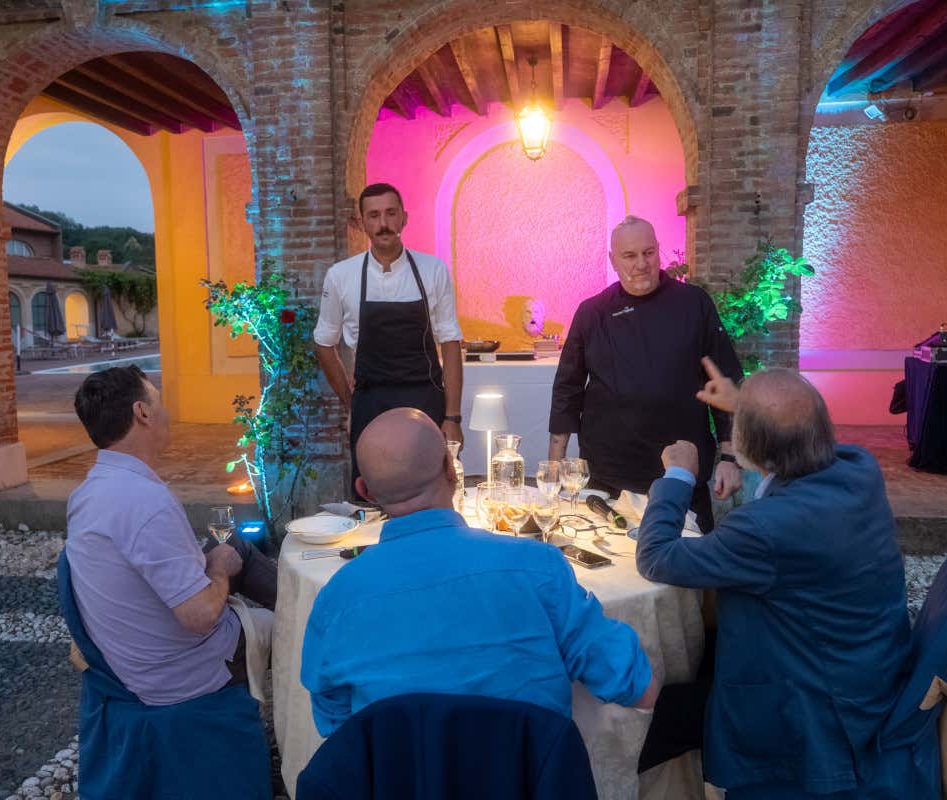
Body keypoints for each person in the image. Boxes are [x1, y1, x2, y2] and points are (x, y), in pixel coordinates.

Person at [636, 360, 913, 798]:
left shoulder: (766, 527)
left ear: (748, 451)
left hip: (815, 709)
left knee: (644, 716)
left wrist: (678, 474)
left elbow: (656, 558)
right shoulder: (858, 468)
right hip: (865, 674)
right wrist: (744, 406)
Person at [300, 407, 658, 737]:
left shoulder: (337, 597)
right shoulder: (538, 568)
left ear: (364, 491)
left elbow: (335, 726)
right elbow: (638, 689)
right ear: (451, 470)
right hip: (529, 781)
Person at [64, 365, 278, 709]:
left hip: (133, 653)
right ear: (142, 412)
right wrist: (220, 570)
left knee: (235, 545)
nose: (167, 412)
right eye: (159, 401)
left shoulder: (87, 492)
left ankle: (309, 603)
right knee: (290, 627)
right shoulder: (146, 504)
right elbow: (200, 617)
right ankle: (317, 625)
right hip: (181, 671)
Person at [548, 216, 743, 532]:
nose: (641, 264)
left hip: (683, 474)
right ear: (613, 260)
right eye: (630, 256)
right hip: (608, 476)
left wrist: (730, 459)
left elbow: (724, 381)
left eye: (649, 253)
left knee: (687, 570)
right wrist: (554, 468)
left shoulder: (694, 303)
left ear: (658, 251)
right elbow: (567, 390)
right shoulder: (592, 312)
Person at [314, 183, 465, 493]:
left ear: (404, 218)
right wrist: (350, 402)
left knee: (432, 491)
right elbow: (323, 342)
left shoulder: (433, 270)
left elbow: (450, 342)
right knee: (373, 493)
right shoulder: (341, 276)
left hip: (426, 400)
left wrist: (452, 416)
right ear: (362, 223)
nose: (383, 224)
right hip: (372, 404)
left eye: (390, 213)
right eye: (374, 215)